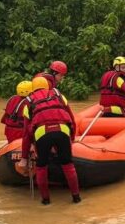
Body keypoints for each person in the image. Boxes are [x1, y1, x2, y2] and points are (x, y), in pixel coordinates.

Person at [18, 72, 81, 206]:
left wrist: (24, 157)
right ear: (47, 85)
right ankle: (76, 198)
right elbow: (72, 119)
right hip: (62, 130)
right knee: (68, 165)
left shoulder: (28, 102)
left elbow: (26, 133)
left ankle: (46, 201)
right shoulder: (58, 95)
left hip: (42, 134)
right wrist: (72, 139)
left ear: (32, 88)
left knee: (41, 167)